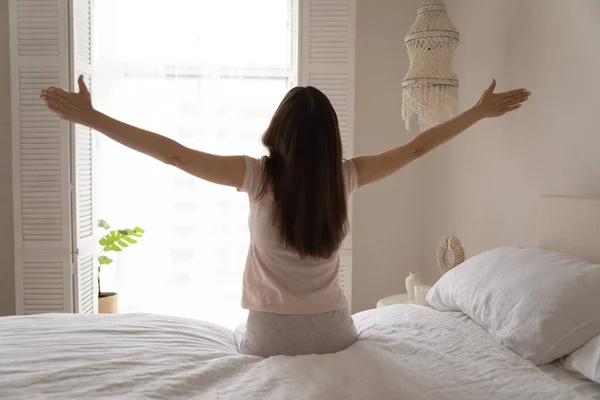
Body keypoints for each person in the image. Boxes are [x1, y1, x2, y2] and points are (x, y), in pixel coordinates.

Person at [41, 77, 529, 357]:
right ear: (328, 140)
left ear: (280, 130)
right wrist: (478, 112)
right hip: (338, 332)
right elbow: (418, 147)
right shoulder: (346, 177)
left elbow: (174, 155)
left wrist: (92, 117)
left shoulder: (258, 177)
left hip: (271, 335)